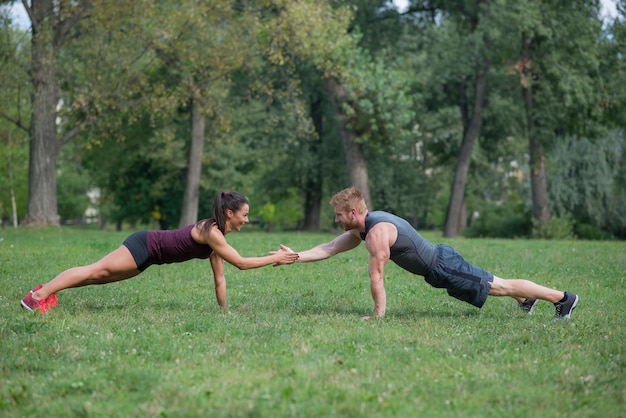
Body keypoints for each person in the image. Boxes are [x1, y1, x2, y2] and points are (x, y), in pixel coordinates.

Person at [280, 187, 578, 321]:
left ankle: (563, 300)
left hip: (444, 266)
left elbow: (377, 276)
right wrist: (295, 256)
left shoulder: (377, 232)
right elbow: (329, 248)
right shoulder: (363, 229)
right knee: (497, 285)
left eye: (338, 215)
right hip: (439, 266)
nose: (336, 220)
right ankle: (526, 300)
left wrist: (378, 316)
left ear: (353, 212)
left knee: (500, 286)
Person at [21, 192, 299, 313]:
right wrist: (276, 257)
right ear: (229, 213)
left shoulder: (218, 236)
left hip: (149, 257)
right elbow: (241, 263)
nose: (247, 220)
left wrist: (224, 312)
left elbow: (221, 278)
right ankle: (37, 297)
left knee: (97, 278)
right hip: (143, 244)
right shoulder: (210, 231)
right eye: (245, 215)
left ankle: (46, 293)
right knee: (96, 270)